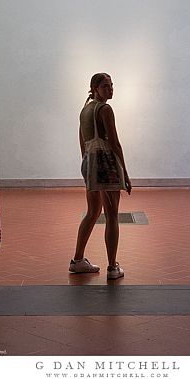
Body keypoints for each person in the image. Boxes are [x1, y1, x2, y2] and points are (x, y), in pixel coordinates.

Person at [69, 73, 132, 279]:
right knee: (112, 215)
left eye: (112, 85)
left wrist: (87, 167)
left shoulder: (85, 110)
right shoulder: (105, 109)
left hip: (89, 161)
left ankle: (78, 260)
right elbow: (115, 142)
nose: (111, 89)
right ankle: (113, 267)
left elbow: (81, 141)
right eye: (106, 86)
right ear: (95, 88)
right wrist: (125, 172)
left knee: (93, 212)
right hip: (106, 162)